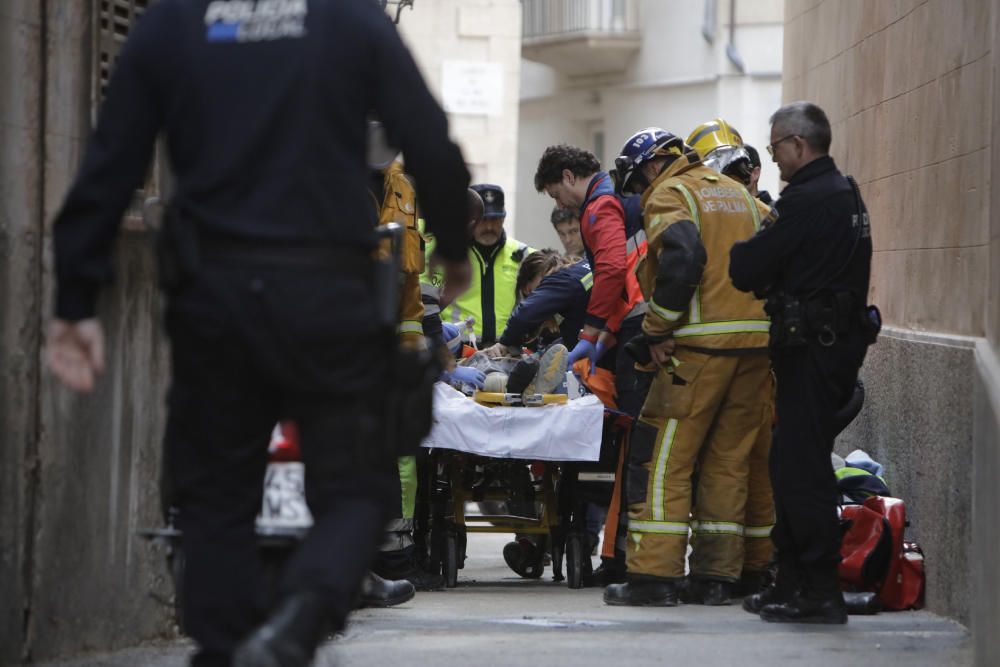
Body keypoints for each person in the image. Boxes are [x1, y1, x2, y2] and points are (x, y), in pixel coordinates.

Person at [45, 2, 471, 666]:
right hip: (327, 295)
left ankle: (225, 649)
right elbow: (428, 134)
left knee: (213, 497)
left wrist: (75, 300)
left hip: (215, 299)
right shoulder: (348, 19)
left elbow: (110, 157)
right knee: (359, 488)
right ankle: (298, 622)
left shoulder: (174, 21)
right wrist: (450, 246)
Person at [602, 127, 773, 608]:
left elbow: (683, 257)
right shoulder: (742, 196)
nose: (640, 196)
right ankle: (718, 577)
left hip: (695, 355)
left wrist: (656, 329)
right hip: (755, 351)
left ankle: (653, 576)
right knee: (729, 462)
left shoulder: (671, 194)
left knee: (662, 462)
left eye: (638, 185)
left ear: (653, 167)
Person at [730, 101, 876, 624]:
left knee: (802, 470)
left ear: (797, 144)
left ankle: (818, 590)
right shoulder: (846, 192)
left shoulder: (808, 199)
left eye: (775, 150)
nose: (774, 162)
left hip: (812, 349)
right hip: (832, 345)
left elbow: (746, 266)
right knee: (790, 462)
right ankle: (791, 581)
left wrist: (760, 261)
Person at [687, 119, 778, 596]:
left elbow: (677, 273)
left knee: (701, 462)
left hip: (707, 351)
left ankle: (714, 574)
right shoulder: (765, 214)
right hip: (764, 356)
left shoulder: (697, 206)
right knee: (752, 462)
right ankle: (756, 568)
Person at [433, 184, 534, 346]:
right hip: (458, 349)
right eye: (483, 220)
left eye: (495, 219)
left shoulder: (524, 255)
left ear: (504, 218)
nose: (489, 227)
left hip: (507, 349)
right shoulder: (449, 255)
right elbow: (428, 301)